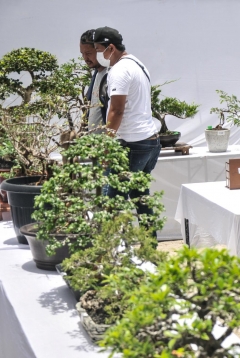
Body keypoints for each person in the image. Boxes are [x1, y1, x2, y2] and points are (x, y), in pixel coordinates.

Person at [92, 26, 161, 236]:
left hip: (132, 144)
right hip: (149, 141)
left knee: (112, 201)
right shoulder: (138, 64)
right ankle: (150, 247)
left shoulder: (120, 70)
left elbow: (117, 109)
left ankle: (110, 252)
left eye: (98, 49)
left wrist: (106, 144)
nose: (98, 55)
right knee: (140, 196)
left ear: (110, 48)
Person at [79, 29, 107, 133]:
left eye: (88, 53)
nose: (85, 58)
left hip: (109, 144)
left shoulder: (112, 75)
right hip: (94, 144)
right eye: (82, 54)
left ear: (99, 50)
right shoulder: (96, 74)